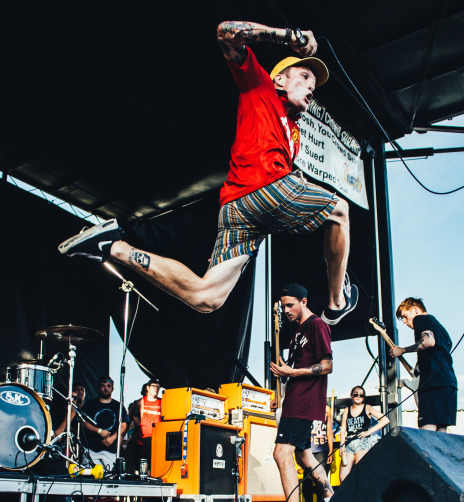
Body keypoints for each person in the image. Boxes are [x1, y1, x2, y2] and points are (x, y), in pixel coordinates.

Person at [58, 21, 357, 326]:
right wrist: (287, 36)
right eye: (304, 76)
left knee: (206, 298)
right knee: (340, 211)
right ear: (279, 79)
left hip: (237, 210)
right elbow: (226, 32)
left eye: (313, 85)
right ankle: (335, 303)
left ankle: (113, 246)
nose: (310, 86)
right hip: (263, 189)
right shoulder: (260, 86)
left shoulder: (291, 134)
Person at [260, 283, 334, 502]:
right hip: (293, 398)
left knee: (282, 453)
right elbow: (291, 369)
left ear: (304, 301)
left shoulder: (316, 325)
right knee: (304, 456)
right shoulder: (297, 332)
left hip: (304, 401)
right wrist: (281, 389)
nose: (286, 310)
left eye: (290, 305)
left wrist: (292, 372)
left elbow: (326, 365)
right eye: (283, 306)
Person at [389, 297, 458, 431]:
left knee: (427, 433)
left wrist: (403, 350)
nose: (404, 321)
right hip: (448, 383)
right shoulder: (439, 327)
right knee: (441, 433)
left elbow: (428, 341)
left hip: (433, 383)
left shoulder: (420, 319)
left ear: (415, 309)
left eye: (405, 316)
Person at [339, 386, 389, 481]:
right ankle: (349, 495)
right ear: (351, 396)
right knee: (343, 476)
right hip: (349, 442)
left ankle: (362, 495)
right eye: (356, 394)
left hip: (363, 442)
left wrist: (369, 431)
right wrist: (342, 445)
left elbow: (385, 420)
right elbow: (343, 429)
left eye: (361, 395)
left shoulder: (367, 408)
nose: (358, 396)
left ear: (364, 397)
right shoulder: (346, 410)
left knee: (361, 473)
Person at [82, 376, 129, 471]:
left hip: (110, 451)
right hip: (91, 450)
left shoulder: (118, 406)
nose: (106, 388)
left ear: (112, 389)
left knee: (109, 478)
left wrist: (112, 438)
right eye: (103, 386)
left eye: (108, 386)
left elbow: (124, 425)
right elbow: (84, 422)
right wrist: (99, 431)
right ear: (98, 387)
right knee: (89, 478)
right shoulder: (90, 404)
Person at [302, 403, 333, 502]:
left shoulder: (327, 409)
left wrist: (330, 451)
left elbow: (329, 430)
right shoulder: (307, 406)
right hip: (308, 448)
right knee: (307, 479)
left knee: (321, 477)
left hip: (322, 449)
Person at [128, 379, 162, 472]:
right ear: (148, 387)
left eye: (158, 387)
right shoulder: (140, 402)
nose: (156, 389)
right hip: (142, 441)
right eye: (154, 386)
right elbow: (132, 417)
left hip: (158, 441)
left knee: (155, 468)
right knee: (142, 469)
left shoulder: (162, 402)